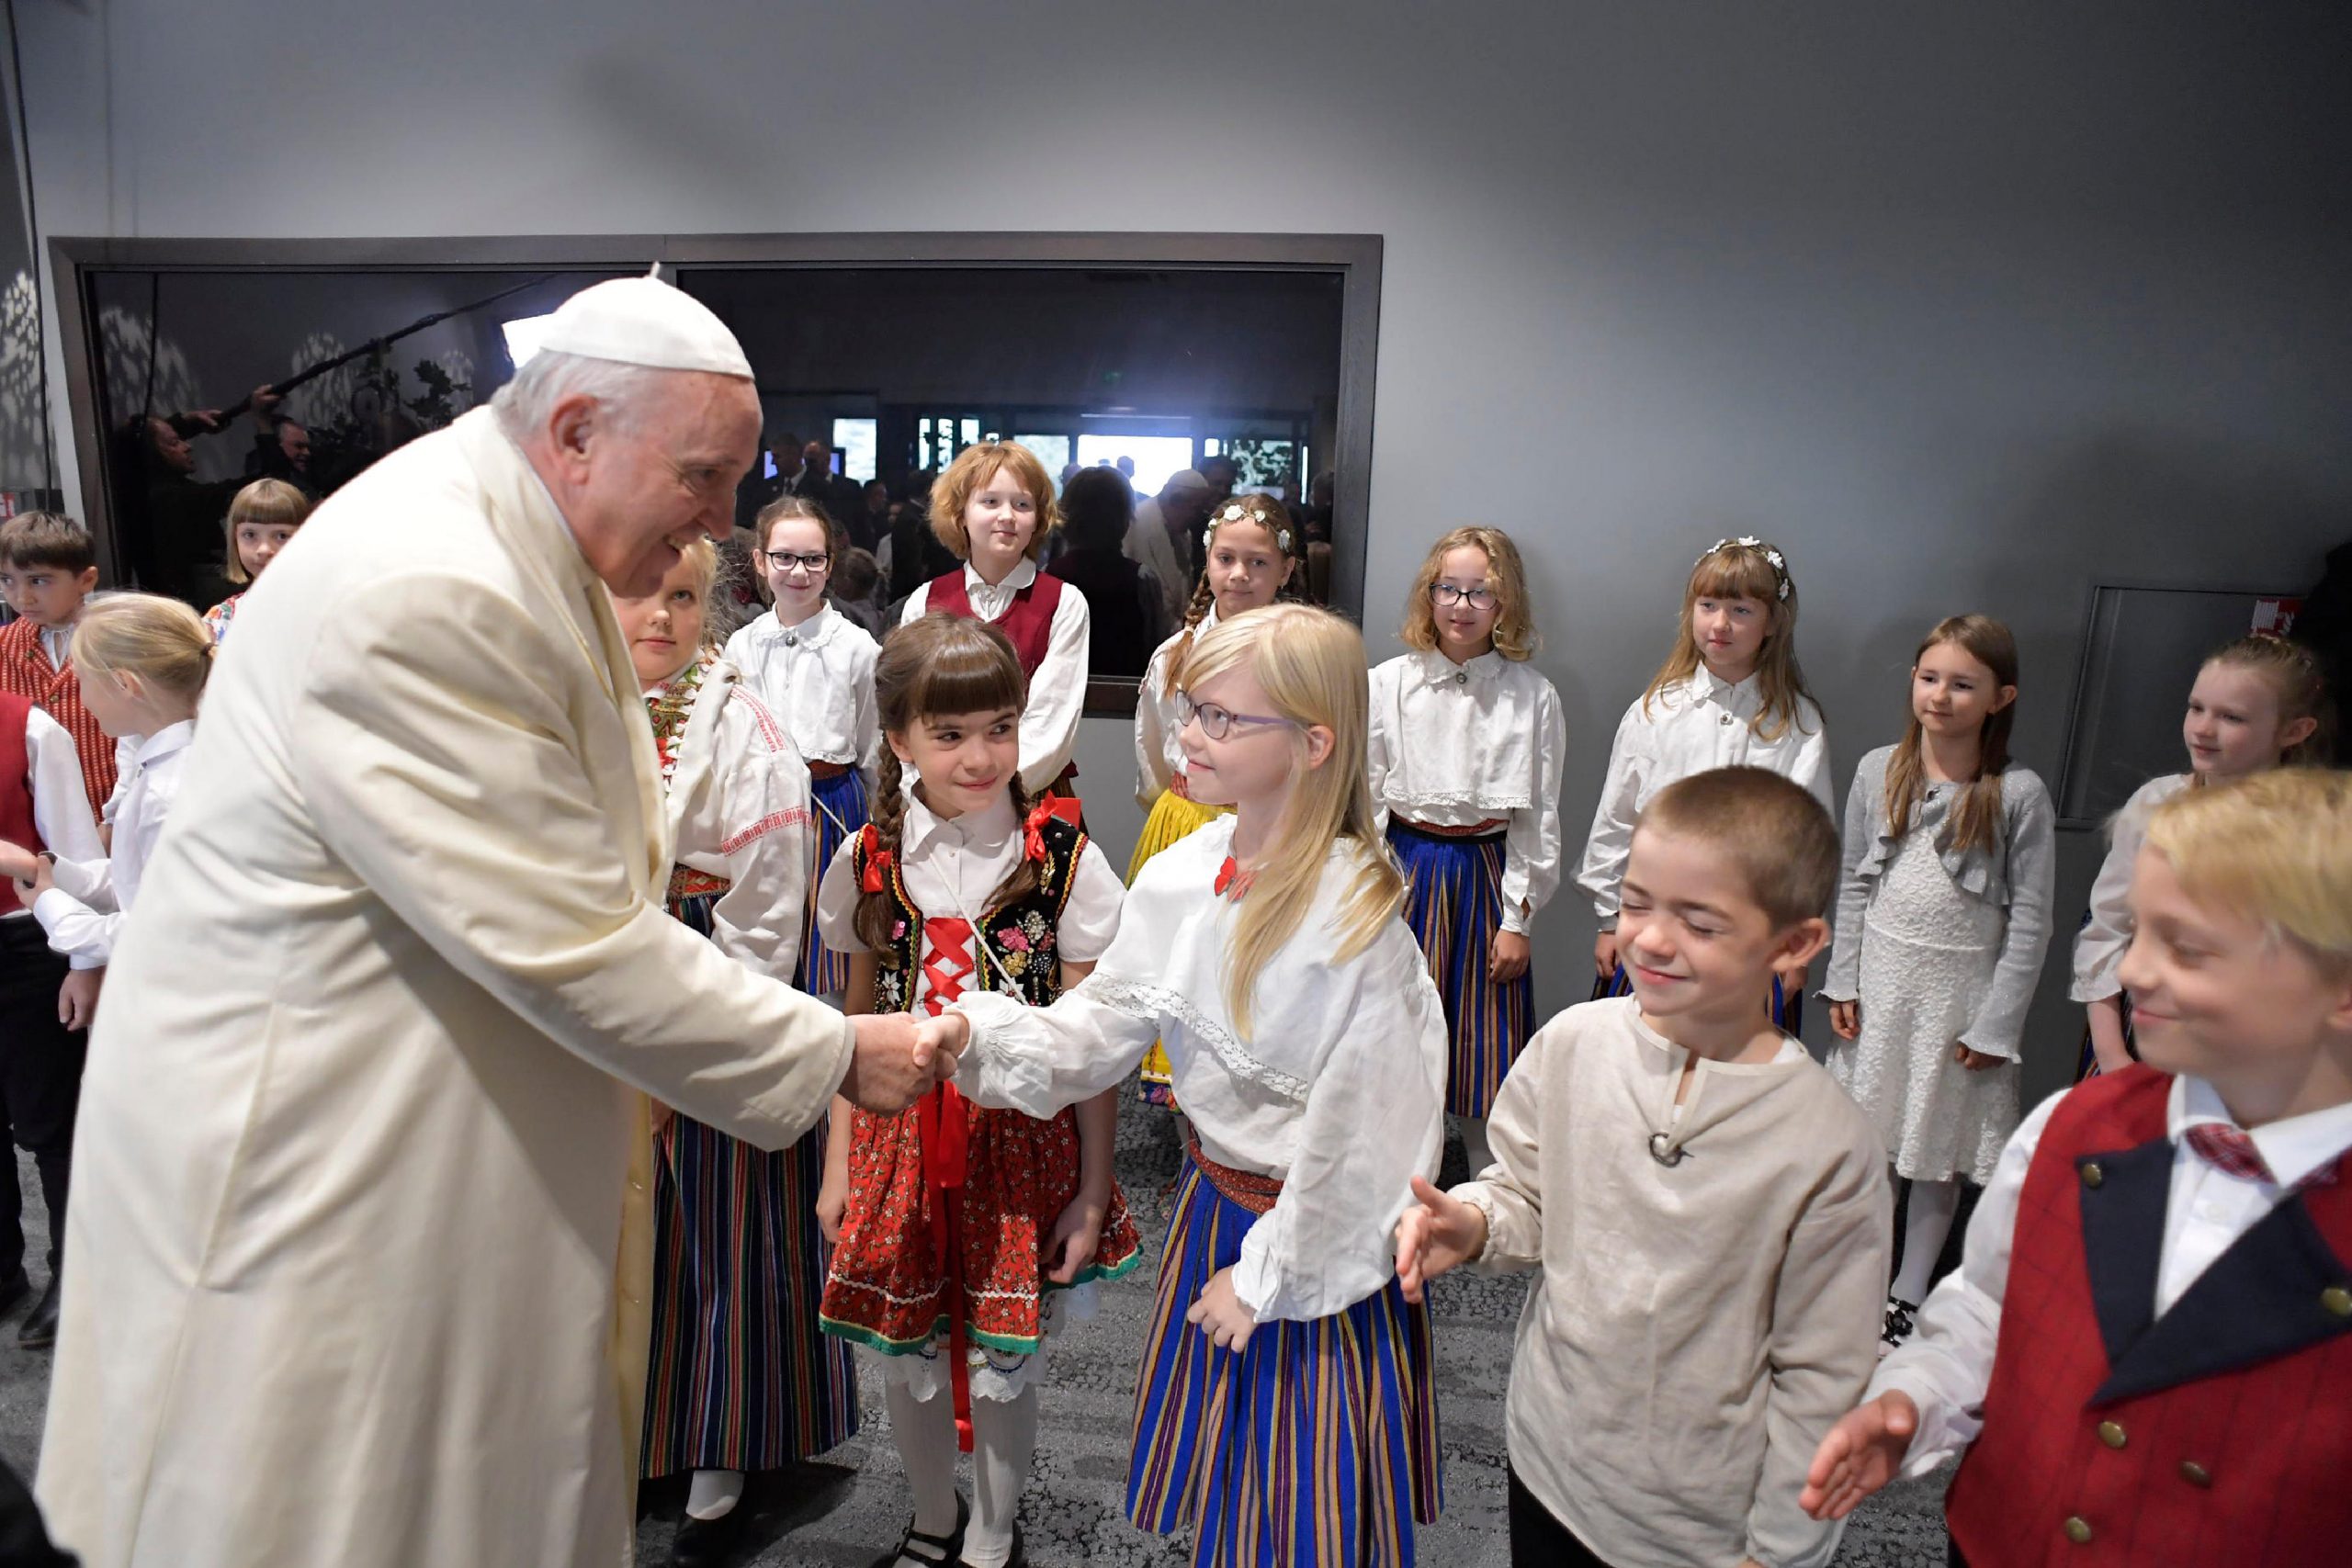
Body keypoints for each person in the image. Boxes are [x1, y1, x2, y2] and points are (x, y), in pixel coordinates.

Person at [32, 273, 940, 1568]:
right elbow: (558, 928)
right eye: (703, 474)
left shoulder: (519, 544)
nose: (725, 519)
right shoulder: (431, 581)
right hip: (325, 1164)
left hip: (438, 1114)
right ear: (574, 432)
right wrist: (836, 1051)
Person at [924, 604, 1450, 1568]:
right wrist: (977, 1036)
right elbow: (1101, 1030)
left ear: (1312, 743)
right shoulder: (1183, 873)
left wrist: (1268, 1279)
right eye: (1188, 709)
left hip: (1314, 1240)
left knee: (1304, 1495)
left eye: (1220, 718)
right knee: (1228, 1486)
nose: (1187, 736)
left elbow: (1371, 1144)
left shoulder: (1356, 920)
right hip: (1215, 1207)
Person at [1804, 768, 2352, 1567]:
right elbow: (1992, 1304)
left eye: (2187, 948)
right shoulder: (2073, 1126)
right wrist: (1917, 1394)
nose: (2132, 974)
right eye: (2138, 935)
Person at [1396, 766, 1889, 1568]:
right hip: (1548, 1462)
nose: (1651, 939)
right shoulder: (1574, 1042)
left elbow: (1823, 1377)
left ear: (1793, 944)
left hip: (1699, 1530)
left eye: (1700, 921)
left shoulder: (1829, 1147)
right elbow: (1524, 1187)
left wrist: (1780, 1551)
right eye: (1635, 902)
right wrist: (1477, 1220)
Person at [812, 614, 1136, 1568]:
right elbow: (853, 1027)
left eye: (1000, 727)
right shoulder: (869, 858)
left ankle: (993, 1534)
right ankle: (931, 1517)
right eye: (950, 735)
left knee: (1004, 1364)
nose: (981, 754)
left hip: (1022, 1140)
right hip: (895, 1139)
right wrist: (837, 1164)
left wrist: (1090, 1188)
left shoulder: (1063, 861)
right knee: (906, 1362)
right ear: (900, 740)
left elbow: (1090, 1052)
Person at [614, 538, 858, 1565]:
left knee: (721, 1232)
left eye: (681, 598)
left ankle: (725, 1448)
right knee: (619, 1234)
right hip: (597, 1001)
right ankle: (639, 1432)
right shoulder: (575, 712)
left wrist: (687, 1050)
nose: (659, 620)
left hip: (707, 999)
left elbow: (762, 918)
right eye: (636, 598)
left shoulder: (743, 723)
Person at [1819, 615, 2056, 1355]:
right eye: (1930, 678)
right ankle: (1857, 1284)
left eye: (1963, 684)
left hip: (1960, 998)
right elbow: (1853, 889)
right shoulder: (1876, 770)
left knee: (1936, 1148)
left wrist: (1997, 1026)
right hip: (1884, 986)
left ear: (1999, 696)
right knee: (1873, 1144)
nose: (1942, 696)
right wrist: (1843, 979)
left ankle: (1909, 1294)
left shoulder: (2018, 794)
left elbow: (2032, 923)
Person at [1370, 526, 1565, 1177]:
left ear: (1504, 603)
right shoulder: (1388, 684)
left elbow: (1537, 817)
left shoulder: (1532, 695)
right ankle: (1398, 1172)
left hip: (1485, 870)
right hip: (1405, 868)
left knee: (1488, 1031)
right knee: (1396, 1024)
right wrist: (1369, 889)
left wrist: (1519, 919)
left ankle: (1489, 1180)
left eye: (1479, 592)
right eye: (1448, 588)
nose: (1461, 604)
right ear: (1429, 594)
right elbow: (1365, 800)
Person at [1577, 536, 1832, 1028]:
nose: (1720, 624)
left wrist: (1795, 954)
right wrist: (1611, 920)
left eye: (1740, 609)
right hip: (1655, 934)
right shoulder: (1655, 711)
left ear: (1773, 622)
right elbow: (1616, 819)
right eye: (1708, 605)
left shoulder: (1797, 724)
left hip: (1751, 945)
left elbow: (1809, 848)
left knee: (1731, 1088)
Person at [2073, 633, 2328, 1078]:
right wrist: (2113, 1057)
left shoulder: (2313, 828)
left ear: (2295, 730)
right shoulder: (2155, 804)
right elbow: (2107, 928)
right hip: (2143, 1046)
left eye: (2232, 717)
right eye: (2197, 708)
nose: (2204, 729)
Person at [1128, 497, 1300, 1109]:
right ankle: (1186, 1125)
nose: (1240, 575)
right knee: (1184, 972)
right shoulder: (1175, 652)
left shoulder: (1300, 657)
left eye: (1258, 562)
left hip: (1270, 830)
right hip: (1185, 819)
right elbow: (1152, 739)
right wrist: (1173, 801)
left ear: (1286, 569)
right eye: (1226, 558)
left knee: (1252, 974)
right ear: (1207, 562)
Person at [722, 496, 883, 1001]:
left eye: (813, 558)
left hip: (833, 803)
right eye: (784, 557)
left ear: (830, 563)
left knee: (831, 929)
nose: (798, 571)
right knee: (763, 921)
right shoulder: (742, 645)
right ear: (760, 560)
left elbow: (871, 745)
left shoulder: (857, 647)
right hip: (760, 804)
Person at [14, 594, 213, 970]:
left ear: (124, 684)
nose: (83, 699)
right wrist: (46, 869)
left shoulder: (167, 792)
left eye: (83, 681)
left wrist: (52, 907)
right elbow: (138, 875)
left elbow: (158, 932)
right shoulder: (170, 766)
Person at [0, 631, 104, 1351]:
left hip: (23, 939)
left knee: (51, 1121)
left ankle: (79, 1276)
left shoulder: (32, 726)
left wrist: (83, 962)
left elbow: (79, 857)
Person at [900, 443, 1089, 801]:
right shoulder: (925, 602)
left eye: (1022, 504)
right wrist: (942, 794)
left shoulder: (1064, 603)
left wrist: (988, 795)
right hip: (939, 797)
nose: (1007, 516)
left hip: (1030, 794)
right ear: (960, 514)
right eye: (990, 502)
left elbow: (1052, 724)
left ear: (1038, 518)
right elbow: (911, 716)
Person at [0, 513, 117, 818]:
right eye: (7, 580)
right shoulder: (3, 646)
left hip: (115, 809)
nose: (22, 596)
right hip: (38, 818)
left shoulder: (118, 642)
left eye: (38, 580)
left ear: (86, 580)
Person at [1048, 467, 1161, 680]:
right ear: (1123, 519)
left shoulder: (1050, 577)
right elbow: (1153, 651)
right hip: (1126, 697)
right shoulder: (1141, 579)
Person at [201, 479, 312, 642]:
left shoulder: (330, 611)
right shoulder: (219, 619)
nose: (264, 549)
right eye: (250, 535)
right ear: (234, 539)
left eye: (282, 536)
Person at [1125, 468, 1217, 630]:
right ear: (1176, 501)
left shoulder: (1184, 533)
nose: (1199, 516)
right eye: (1197, 508)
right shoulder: (1137, 523)